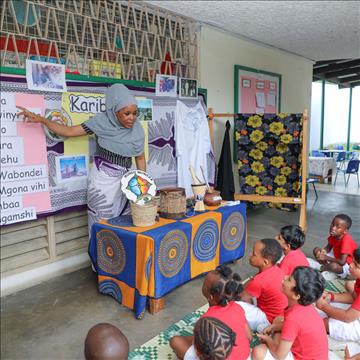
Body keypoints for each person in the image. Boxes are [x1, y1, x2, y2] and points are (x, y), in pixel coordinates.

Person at [18, 84, 146, 236]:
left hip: (128, 181)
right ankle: (99, 259)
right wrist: (41, 119)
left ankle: (120, 258)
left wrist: (141, 188)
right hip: (103, 182)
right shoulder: (101, 123)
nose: (132, 118)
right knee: (101, 223)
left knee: (127, 224)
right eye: (127, 113)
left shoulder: (136, 129)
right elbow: (69, 131)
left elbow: (140, 157)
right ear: (114, 111)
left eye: (134, 113)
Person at [170, 265, 252, 360]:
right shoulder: (237, 308)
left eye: (204, 283)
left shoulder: (206, 320)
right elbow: (249, 337)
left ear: (211, 297)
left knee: (175, 341)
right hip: (245, 357)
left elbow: (202, 352)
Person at [252, 266, 328, 360]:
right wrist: (273, 327)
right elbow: (291, 325)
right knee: (278, 320)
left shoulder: (294, 318)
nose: (284, 277)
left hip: (299, 357)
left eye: (289, 279)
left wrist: (267, 339)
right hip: (313, 354)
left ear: (296, 296)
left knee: (258, 351)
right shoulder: (306, 307)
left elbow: (279, 356)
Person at [316, 247, 360, 359]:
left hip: (355, 320)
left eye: (356, 265)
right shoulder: (359, 278)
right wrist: (331, 296)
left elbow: (348, 317)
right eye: (353, 262)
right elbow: (353, 297)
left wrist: (324, 306)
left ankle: (352, 345)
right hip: (355, 313)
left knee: (324, 322)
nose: (350, 265)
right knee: (322, 311)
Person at [238, 239, 288, 331]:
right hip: (280, 314)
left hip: (269, 319)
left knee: (234, 305)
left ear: (265, 262)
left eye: (253, 254)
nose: (250, 256)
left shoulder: (258, 281)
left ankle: (264, 328)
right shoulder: (277, 269)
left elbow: (240, 296)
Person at [310, 214, 357, 279]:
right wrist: (324, 251)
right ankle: (329, 269)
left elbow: (342, 262)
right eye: (332, 224)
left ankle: (321, 268)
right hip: (336, 257)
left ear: (345, 231)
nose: (333, 228)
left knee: (334, 266)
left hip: (347, 266)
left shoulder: (346, 241)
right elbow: (328, 247)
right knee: (316, 250)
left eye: (338, 227)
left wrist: (326, 257)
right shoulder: (334, 235)